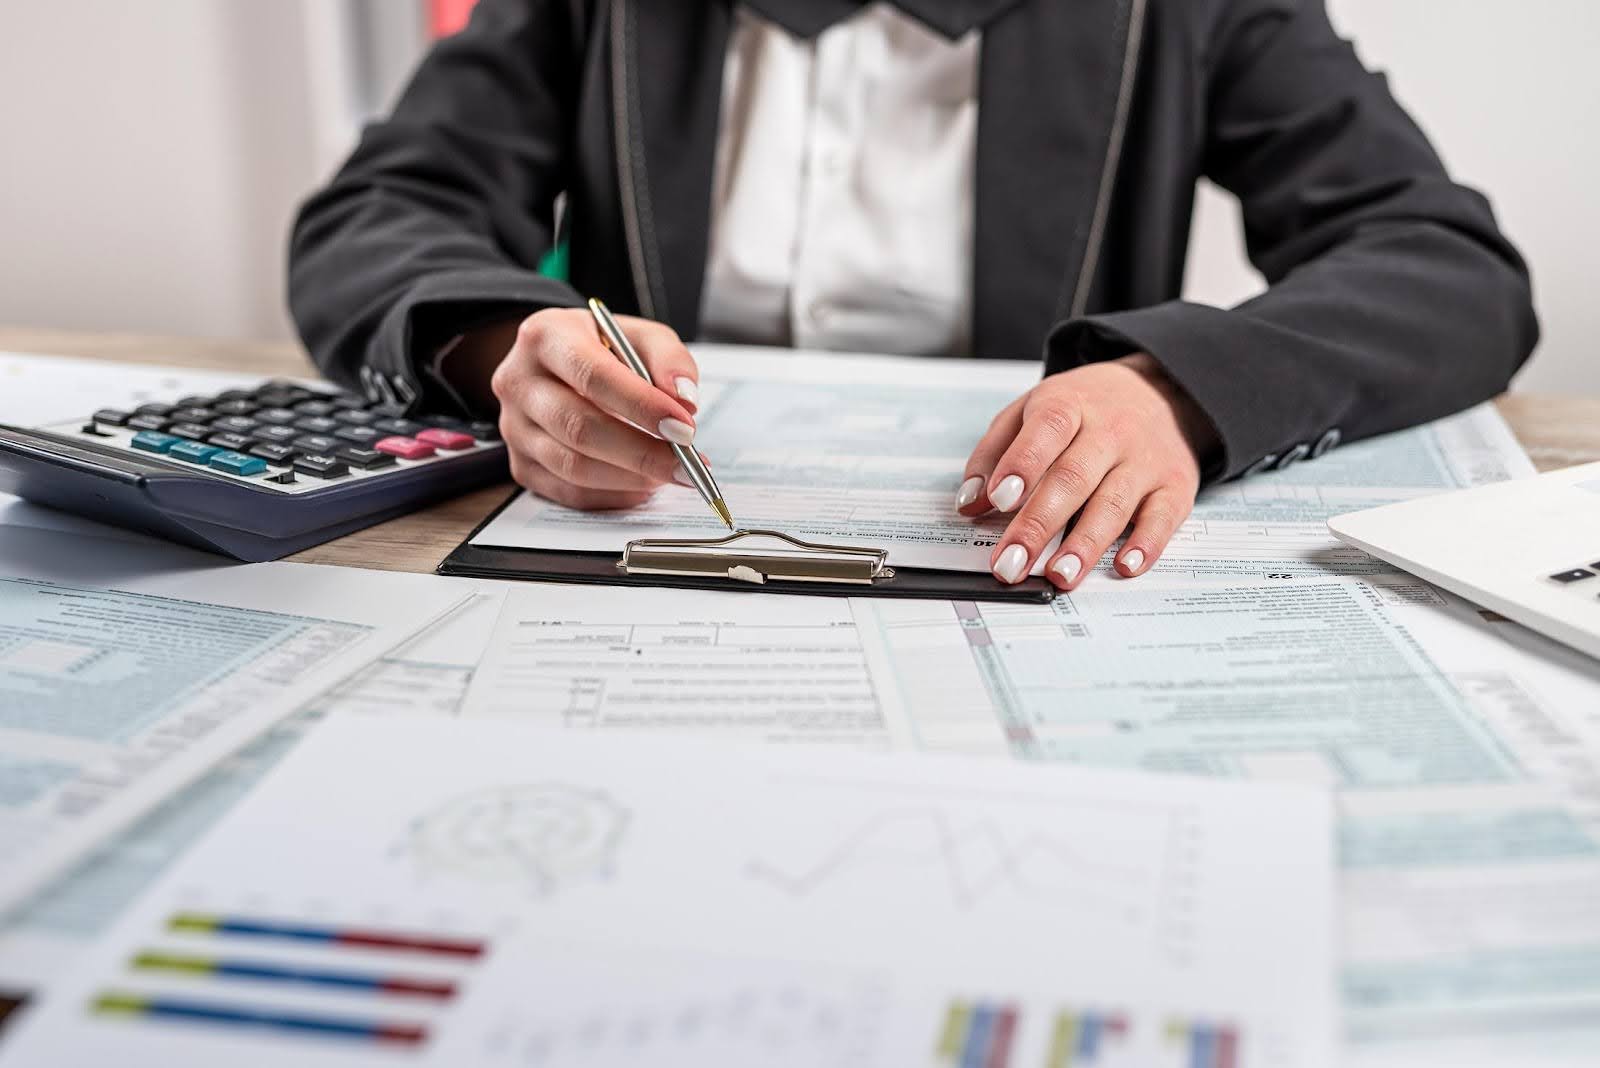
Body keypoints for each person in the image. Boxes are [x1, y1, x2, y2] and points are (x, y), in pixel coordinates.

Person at [289, 0, 1538, 588]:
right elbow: (378, 215)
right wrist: (517, 348)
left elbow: (1443, 263)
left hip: (1016, 585)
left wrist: (1178, 390)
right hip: (631, 558)